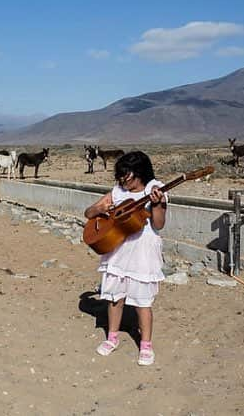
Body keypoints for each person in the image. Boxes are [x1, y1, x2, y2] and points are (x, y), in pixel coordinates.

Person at [84, 151, 167, 366]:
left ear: (139, 172)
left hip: (142, 253)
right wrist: (99, 209)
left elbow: (158, 224)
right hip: (118, 250)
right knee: (114, 297)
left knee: (142, 301)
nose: (122, 180)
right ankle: (112, 337)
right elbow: (89, 212)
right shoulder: (118, 191)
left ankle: (146, 344)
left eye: (126, 176)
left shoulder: (154, 189)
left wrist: (157, 204)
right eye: (120, 176)